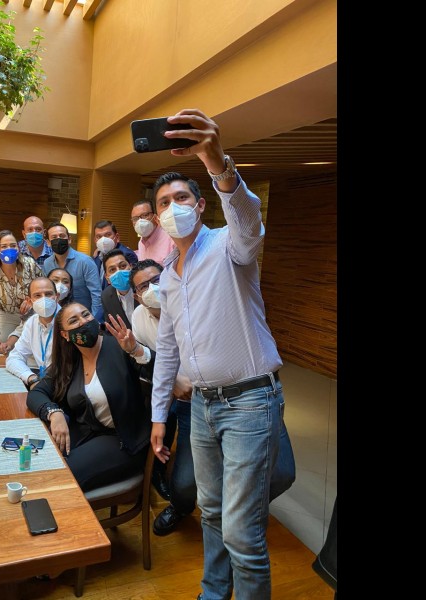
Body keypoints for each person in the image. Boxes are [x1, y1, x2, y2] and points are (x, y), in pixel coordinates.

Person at [148, 109, 287, 600]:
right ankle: (213, 593)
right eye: (164, 202)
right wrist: (159, 415)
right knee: (210, 512)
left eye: (181, 197)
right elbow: (168, 350)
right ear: (157, 218)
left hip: (250, 402)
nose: (173, 207)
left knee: (242, 534)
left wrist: (217, 162)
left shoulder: (230, 245)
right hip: (202, 408)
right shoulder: (168, 275)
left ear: (201, 203)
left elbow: (249, 222)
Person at [26, 301, 152, 492]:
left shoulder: (119, 346)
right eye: (74, 320)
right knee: (38, 462)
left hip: (123, 440)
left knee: (58, 478)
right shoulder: (70, 360)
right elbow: (37, 393)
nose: (83, 322)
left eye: (86, 315)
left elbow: (159, 372)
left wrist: (136, 350)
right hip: (87, 433)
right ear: (65, 335)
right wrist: (54, 413)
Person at [129, 259, 196, 536]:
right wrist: (171, 385)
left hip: (201, 396)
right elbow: (149, 360)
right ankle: (163, 481)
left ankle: (185, 503)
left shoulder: (190, 306)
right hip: (169, 393)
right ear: (136, 296)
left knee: (190, 473)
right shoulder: (138, 317)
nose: (152, 288)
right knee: (161, 440)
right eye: (143, 286)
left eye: (156, 280)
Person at [0, 229, 43, 351]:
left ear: (18, 248)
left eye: (13, 245)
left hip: (32, 314)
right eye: (4, 246)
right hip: (7, 315)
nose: (9, 249)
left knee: (29, 347)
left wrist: (32, 301)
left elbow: (43, 288)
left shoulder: (29, 264)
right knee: (3, 347)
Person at [41, 221, 104, 322]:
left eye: (62, 236)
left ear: (69, 239)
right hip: (58, 318)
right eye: (54, 237)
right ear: (48, 242)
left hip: (83, 318)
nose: (58, 239)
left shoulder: (85, 261)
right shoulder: (47, 263)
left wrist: (94, 321)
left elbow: (96, 294)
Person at [5, 277, 60, 390]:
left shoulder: (69, 321)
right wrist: (31, 378)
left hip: (65, 384)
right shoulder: (31, 322)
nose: (44, 299)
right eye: (38, 295)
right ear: (29, 301)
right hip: (42, 381)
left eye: (48, 294)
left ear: (57, 297)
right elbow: (14, 357)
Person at [91, 220, 138, 290]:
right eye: (99, 236)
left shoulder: (126, 255)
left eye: (108, 235)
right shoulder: (97, 255)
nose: (103, 240)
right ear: (95, 240)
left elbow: (129, 284)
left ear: (117, 237)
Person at [100, 249, 138, 330]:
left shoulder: (143, 288)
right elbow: (111, 328)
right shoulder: (106, 296)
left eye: (123, 266)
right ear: (107, 278)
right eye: (112, 270)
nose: (119, 272)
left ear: (131, 267)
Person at [131, 198, 175, 265]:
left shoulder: (171, 238)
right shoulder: (141, 243)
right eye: (135, 219)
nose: (140, 221)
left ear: (155, 216)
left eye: (145, 215)